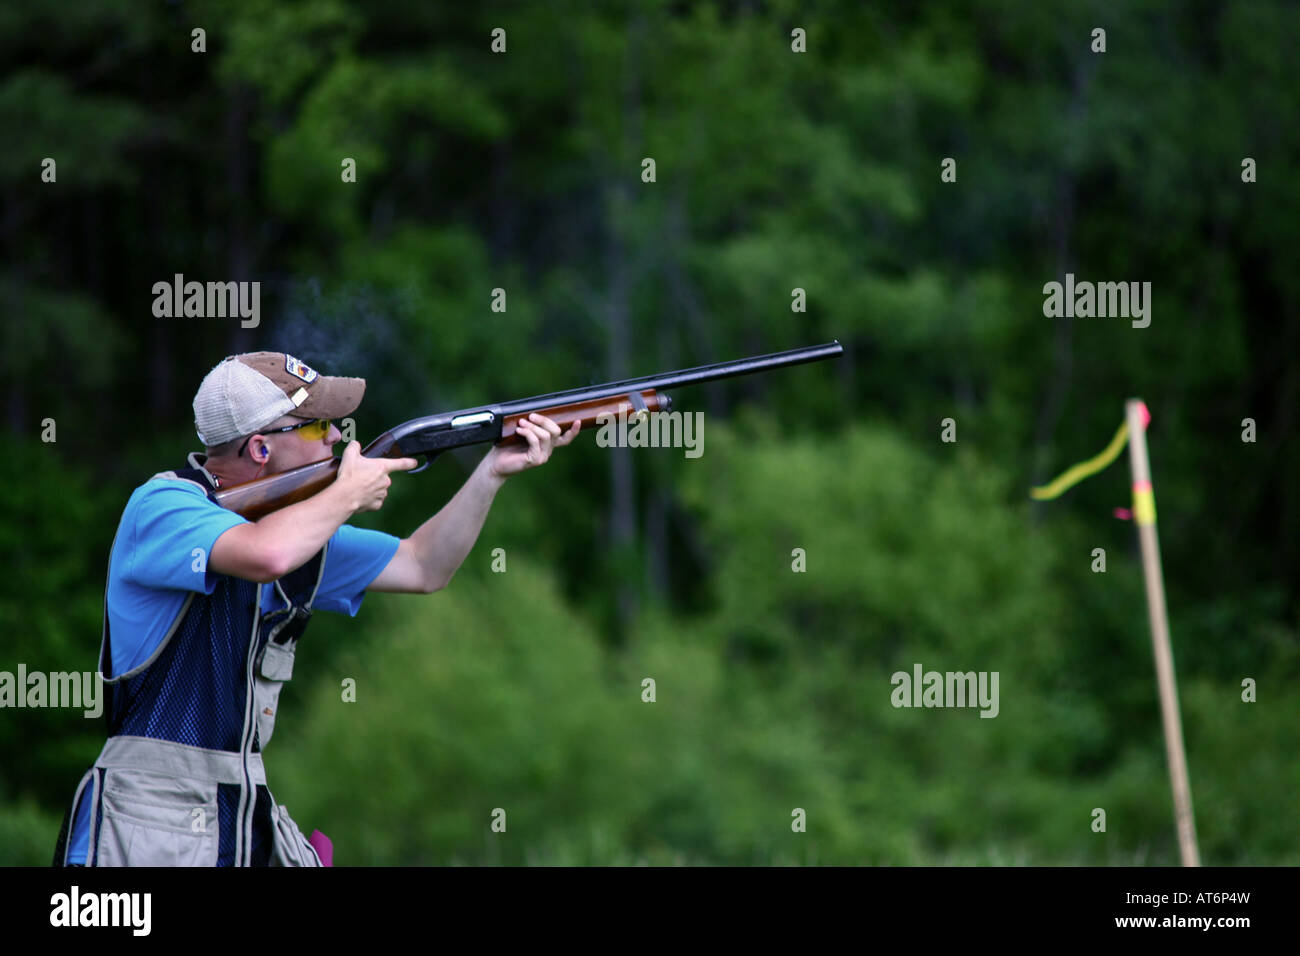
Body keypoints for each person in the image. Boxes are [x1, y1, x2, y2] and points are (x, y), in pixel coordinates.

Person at [53, 351, 577, 866]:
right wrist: (346, 494)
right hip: (151, 824)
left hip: (241, 816)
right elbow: (266, 554)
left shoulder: (298, 533)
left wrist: (491, 473)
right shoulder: (163, 507)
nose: (335, 437)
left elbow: (424, 567)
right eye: (315, 426)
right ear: (260, 448)